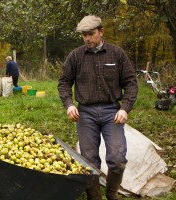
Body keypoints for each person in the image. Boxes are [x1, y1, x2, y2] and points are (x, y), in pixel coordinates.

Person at [58, 15, 138, 200]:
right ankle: (94, 197)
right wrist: (69, 105)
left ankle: (112, 194)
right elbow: (63, 82)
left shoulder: (116, 54)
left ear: (101, 32)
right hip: (85, 113)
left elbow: (131, 83)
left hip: (112, 112)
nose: (87, 39)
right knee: (89, 162)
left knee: (117, 160)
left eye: (91, 34)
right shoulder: (76, 56)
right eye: (83, 35)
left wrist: (125, 108)